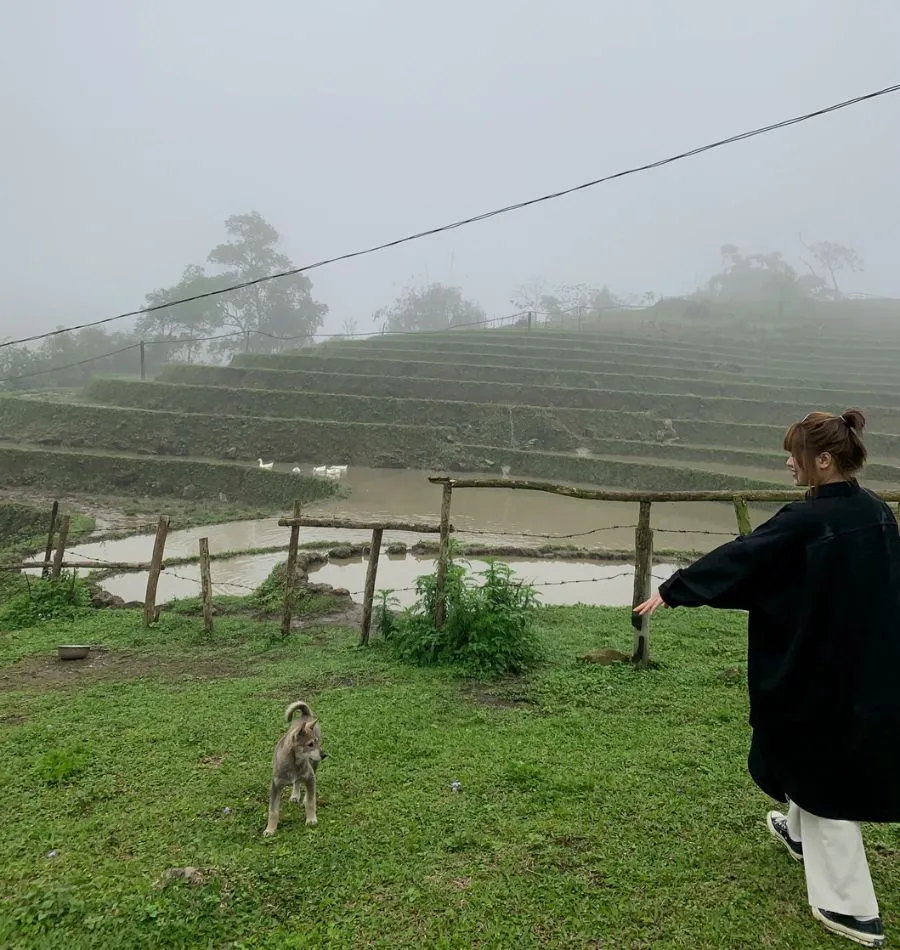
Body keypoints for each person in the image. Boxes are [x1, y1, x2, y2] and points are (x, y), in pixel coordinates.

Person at [635, 408, 900, 948]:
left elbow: (747, 559)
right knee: (808, 748)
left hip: (817, 667)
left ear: (823, 460)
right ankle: (798, 834)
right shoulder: (877, 512)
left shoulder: (805, 522)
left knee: (826, 773)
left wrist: (676, 588)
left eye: (795, 454)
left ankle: (851, 907)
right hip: (865, 666)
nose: (788, 463)